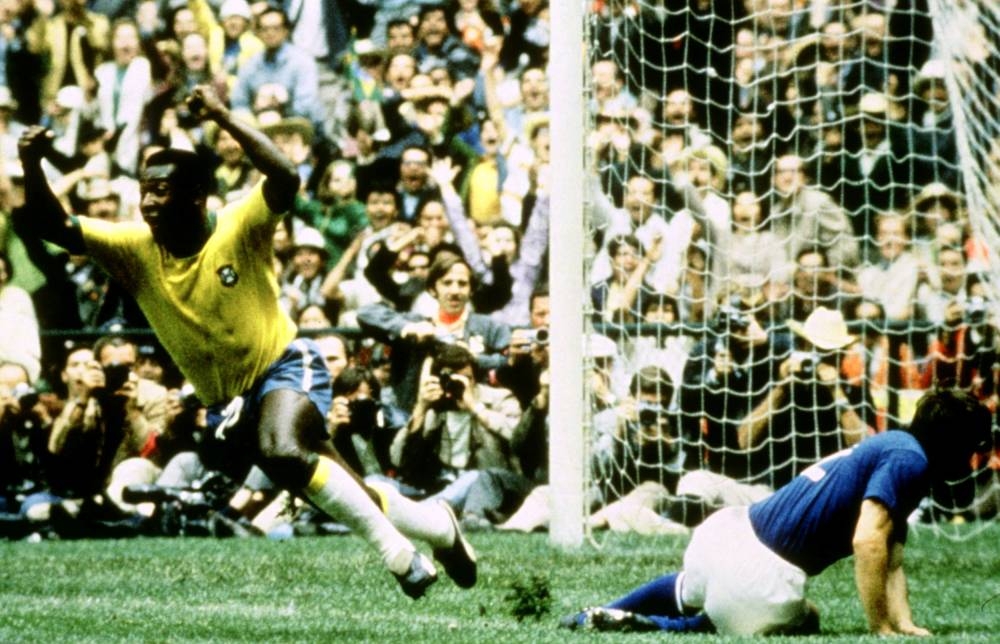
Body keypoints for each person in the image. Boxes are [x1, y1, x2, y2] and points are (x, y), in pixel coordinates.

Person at [16, 84, 475, 598]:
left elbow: (285, 174)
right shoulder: (133, 246)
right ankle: (438, 526)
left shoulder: (237, 224)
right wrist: (31, 164)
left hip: (285, 365)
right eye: (145, 188)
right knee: (341, 486)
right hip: (228, 405)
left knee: (280, 450)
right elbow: (49, 223)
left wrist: (222, 114)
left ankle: (401, 557)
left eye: (162, 190)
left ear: (195, 196)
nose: (147, 200)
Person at [562, 388, 994, 636]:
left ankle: (595, 612)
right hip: (762, 573)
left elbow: (893, 560)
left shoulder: (894, 445)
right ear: (953, 442)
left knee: (684, 588)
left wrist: (905, 624)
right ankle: (649, 626)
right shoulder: (911, 462)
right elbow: (868, 543)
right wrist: (879, 627)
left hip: (726, 533)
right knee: (802, 620)